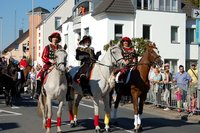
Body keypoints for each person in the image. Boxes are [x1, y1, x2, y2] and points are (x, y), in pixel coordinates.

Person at [33, 32, 62, 99]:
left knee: (67, 75)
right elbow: (43, 56)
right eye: (54, 37)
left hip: (59, 65)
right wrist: (50, 60)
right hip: (48, 65)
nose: (55, 39)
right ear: (51, 38)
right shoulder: (47, 47)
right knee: (39, 76)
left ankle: (67, 93)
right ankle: (38, 92)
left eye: (57, 38)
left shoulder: (60, 47)